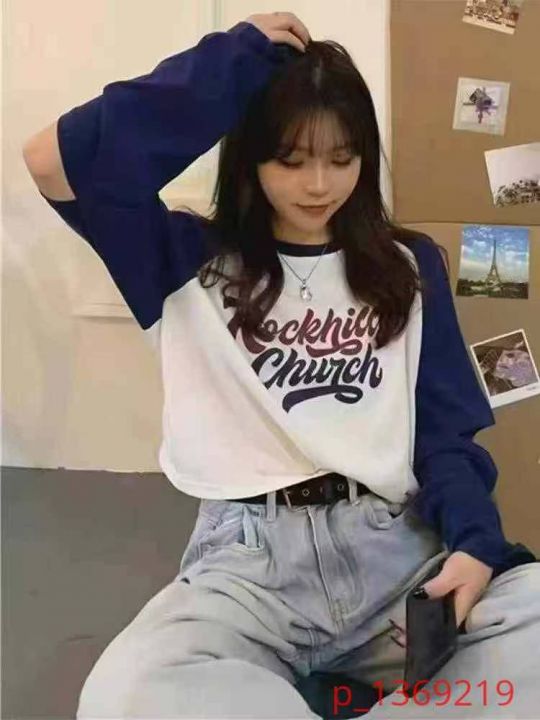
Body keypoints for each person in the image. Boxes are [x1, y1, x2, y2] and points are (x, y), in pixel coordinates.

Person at [23, 11, 539, 719]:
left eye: (342, 158)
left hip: (396, 552)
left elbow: (444, 435)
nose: (319, 184)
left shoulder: (408, 266)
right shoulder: (183, 259)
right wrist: (233, 62)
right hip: (248, 569)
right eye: (290, 160)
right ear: (250, 159)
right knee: (129, 697)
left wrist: (476, 546)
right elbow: (53, 161)